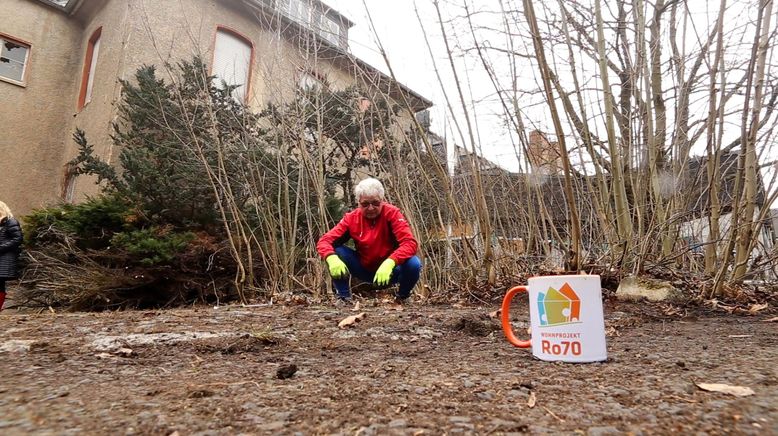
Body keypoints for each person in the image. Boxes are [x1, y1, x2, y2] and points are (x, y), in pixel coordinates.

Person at [317, 178, 422, 306]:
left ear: (382, 200)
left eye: (375, 203)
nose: (371, 208)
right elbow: (324, 241)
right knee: (336, 252)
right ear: (358, 203)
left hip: (391, 270)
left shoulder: (392, 213)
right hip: (363, 268)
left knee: (414, 263)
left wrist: (390, 262)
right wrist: (331, 258)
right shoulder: (351, 219)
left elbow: (410, 243)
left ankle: (403, 297)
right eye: (365, 204)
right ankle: (343, 298)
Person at [0, 201, 23, 311]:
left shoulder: (11, 222)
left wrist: (1, 247)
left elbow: (18, 239)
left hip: (5, 259)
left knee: (0, 284)